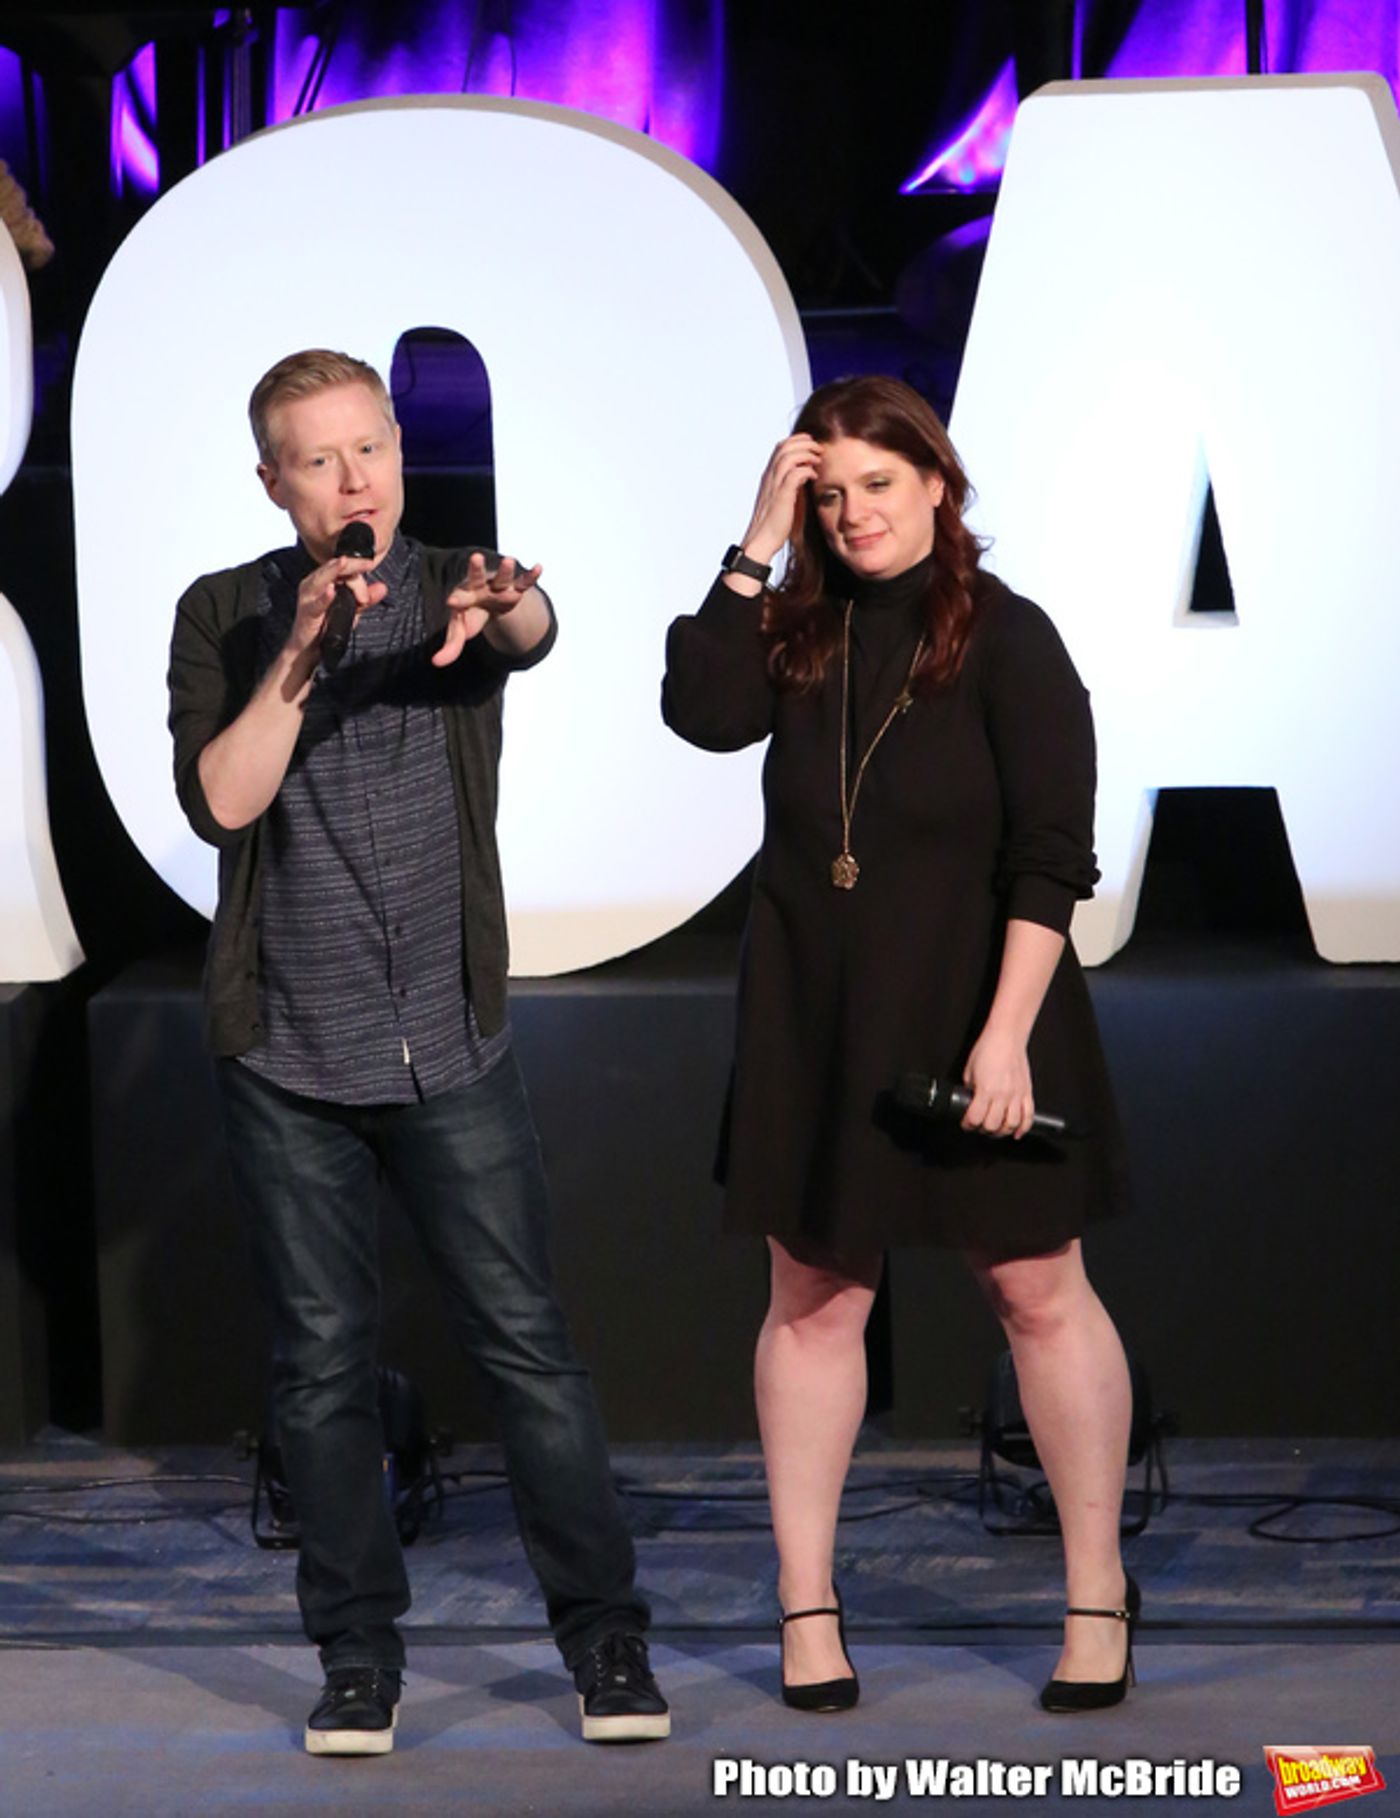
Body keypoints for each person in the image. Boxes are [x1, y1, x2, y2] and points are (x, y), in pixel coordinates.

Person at [167, 349, 669, 1754]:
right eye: (317, 462)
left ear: (398, 450)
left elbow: (531, 630)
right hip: (291, 1057)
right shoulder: (226, 612)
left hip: (451, 1041)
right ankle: (357, 1657)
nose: (352, 482)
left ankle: (604, 1635)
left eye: (368, 452)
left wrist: (515, 603)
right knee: (323, 1368)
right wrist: (303, 649)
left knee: (529, 1350)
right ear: (274, 483)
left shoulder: (460, 575)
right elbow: (222, 800)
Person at [662, 375, 1136, 1716]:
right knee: (815, 1304)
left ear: (939, 483)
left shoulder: (1011, 641)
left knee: (1038, 1291)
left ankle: (1095, 1590)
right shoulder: (795, 632)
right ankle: (808, 1605)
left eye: (880, 484)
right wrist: (756, 539)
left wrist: (1006, 1036)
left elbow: (1053, 860)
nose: (854, 513)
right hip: (819, 1012)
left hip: (983, 1005)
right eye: (829, 491)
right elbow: (699, 707)